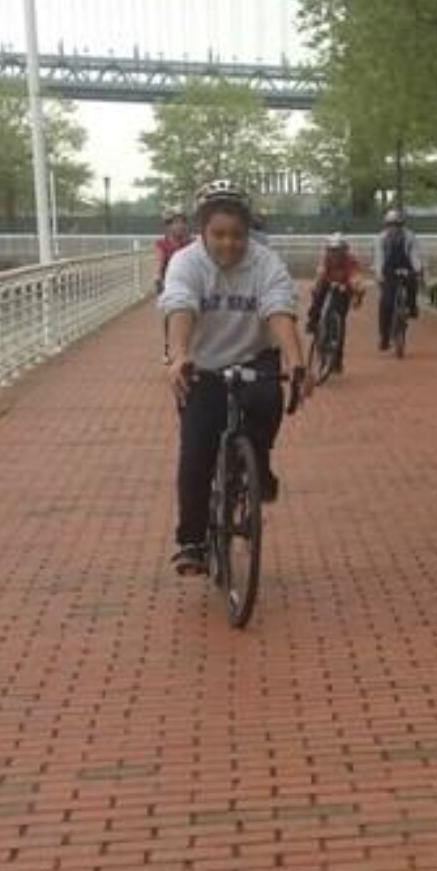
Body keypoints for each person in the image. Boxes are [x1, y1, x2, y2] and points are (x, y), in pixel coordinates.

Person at [159, 179, 313, 576]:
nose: (229, 244)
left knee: (268, 401)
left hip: (253, 357)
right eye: (219, 235)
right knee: (196, 451)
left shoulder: (266, 263)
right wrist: (178, 357)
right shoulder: (186, 263)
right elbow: (179, 307)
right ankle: (192, 541)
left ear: (249, 233)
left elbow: (279, 310)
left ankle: (257, 464)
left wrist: (296, 362)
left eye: (237, 235)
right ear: (202, 232)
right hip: (202, 364)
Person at [305, 231, 368, 373]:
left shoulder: (350, 261)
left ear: (344, 251)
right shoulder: (325, 260)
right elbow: (320, 274)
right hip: (327, 284)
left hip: (344, 288)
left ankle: (337, 360)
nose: (335, 254)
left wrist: (357, 293)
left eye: (338, 251)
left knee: (340, 320)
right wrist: (317, 286)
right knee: (318, 297)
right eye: (332, 251)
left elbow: (356, 278)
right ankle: (313, 321)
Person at [372, 209, 424, 352]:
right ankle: (384, 336)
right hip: (388, 269)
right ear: (386, 226)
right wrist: (379, 274)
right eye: (391, 225)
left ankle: (411, 307)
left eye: (397, 225)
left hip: (405, 266)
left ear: (402, 225)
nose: (394, 228)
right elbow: (379, 257)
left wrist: (417, 269)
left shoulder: (409, 237)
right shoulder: (381, 239)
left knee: (413, 283)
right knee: (385, 302)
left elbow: (414, 254)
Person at [152, 209, 192, 294]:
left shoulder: (191, 244)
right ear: (168, 226)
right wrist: (157, 276)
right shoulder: (162, 244)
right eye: (177, 223)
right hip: (170, 287)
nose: (181, 226)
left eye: (183, 222)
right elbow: (159, 261)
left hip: (190, 286)